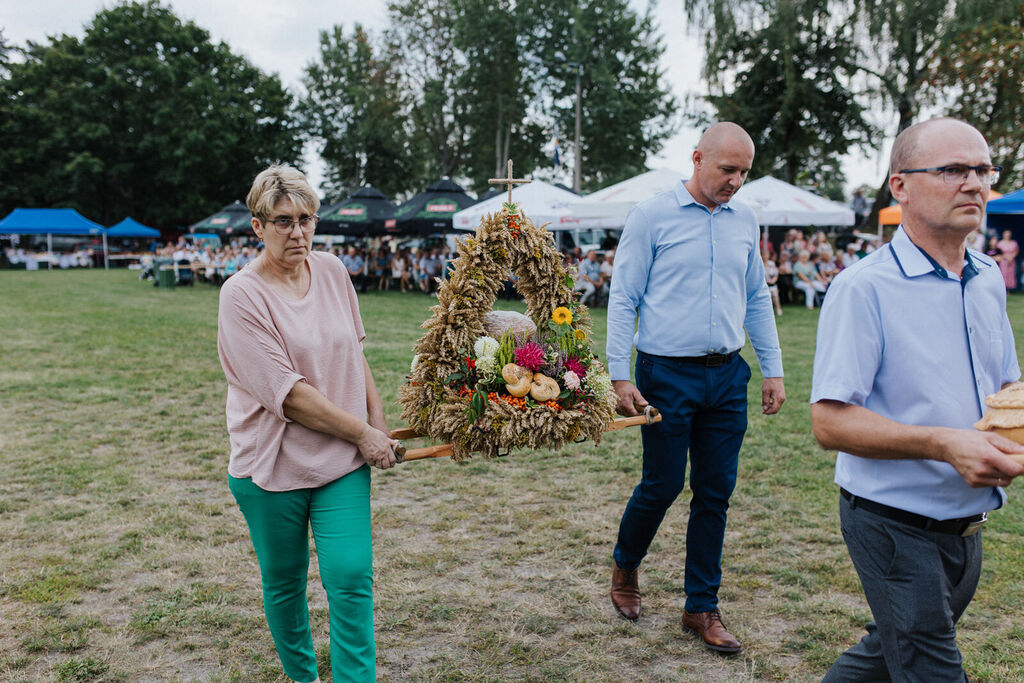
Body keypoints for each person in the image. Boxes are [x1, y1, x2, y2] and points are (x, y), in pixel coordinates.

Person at [810, 118, 1024, 681]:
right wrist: (942, 442)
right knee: (931, 666)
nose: (975, 183)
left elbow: (1006, 392)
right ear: (899, 185)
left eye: (983, 169)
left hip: (968, 522)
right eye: (954, 169)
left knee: (886, 655)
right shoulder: (863, 287)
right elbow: (829, 423)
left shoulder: (986, 278)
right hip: (892, 522)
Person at [606, 122, 786, 654]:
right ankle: (625, 566)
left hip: (728, 375)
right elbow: (623, 298)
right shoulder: (651, 216)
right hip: (665, 374)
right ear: (697, 158)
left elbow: (756, 298)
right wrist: (620, 374)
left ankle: (700, 606)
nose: (736, 181)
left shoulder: (745, 220)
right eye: (727, 169)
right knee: (661, 486)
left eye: (744, 172)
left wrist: (771, 368)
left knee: (715, 491)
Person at [217, 165, 399, 683]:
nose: (297, 232)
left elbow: (354, 352)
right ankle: (304, 678)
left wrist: (378, 422)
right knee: (284, 581)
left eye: (305, 219)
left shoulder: (334, 270)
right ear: (257, 226)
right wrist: (362, 433)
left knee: (351, 575)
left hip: (342, 459)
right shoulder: (241, 295)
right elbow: (290, 397)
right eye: (282, 222)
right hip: (270, 463)